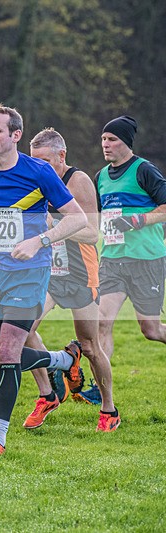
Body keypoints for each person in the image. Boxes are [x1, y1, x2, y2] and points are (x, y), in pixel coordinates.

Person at [0, 104, 88, 456]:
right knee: (1, 360)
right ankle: (62, 360)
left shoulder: (39, 172)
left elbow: (77, 220)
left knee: (11, 354)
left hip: (29, 274)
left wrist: (39, 240)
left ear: (15, 135)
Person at [21, 127, 118, 431]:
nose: (39, 168)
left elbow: (92, 233)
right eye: (34, 162)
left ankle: (108, 408)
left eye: (46, 162)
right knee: (23, 330)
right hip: (47, 273)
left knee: (90, 346)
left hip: (79, 273)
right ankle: (49, 391)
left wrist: (53, 228)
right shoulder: (33, 178)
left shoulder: (79, 181)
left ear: (62, 156)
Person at [96, 116, 166, 429]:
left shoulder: (144, 170)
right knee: (101, 322)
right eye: (103, 139)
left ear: (126, 142)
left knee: (150, 330)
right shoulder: (100, 176)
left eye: (111, 139)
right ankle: (103, 396)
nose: (106, 145)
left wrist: (137, 221)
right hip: (112, 259)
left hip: (146, 260)